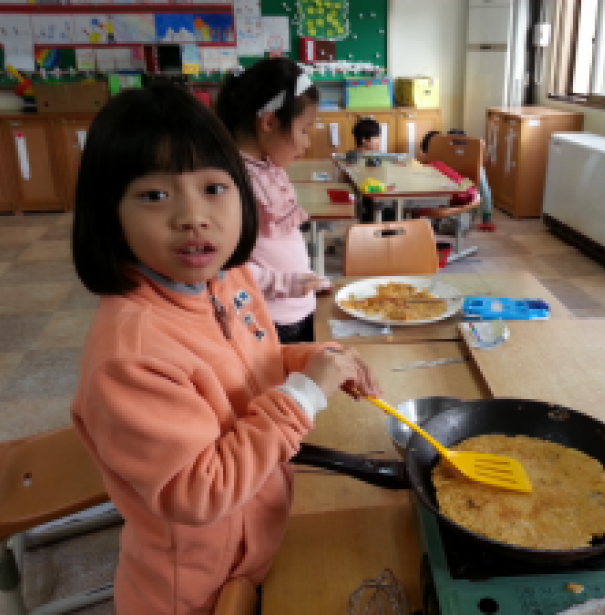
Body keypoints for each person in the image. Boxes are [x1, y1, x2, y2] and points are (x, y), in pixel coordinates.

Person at [70, 83, 382, 615]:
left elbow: (254, 364)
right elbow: (200, 492)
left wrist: (309, 360)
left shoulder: (227, 277)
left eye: (214, 188)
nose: (193, 216)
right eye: (155, 196)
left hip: (257, 542)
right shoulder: (130, 356)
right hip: (193, 590)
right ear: (110, 217)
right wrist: (303, 396)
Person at [215, 57, 330, 344]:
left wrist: (306, 278)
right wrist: (283, 283)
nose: (307, 142)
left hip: (294, 307)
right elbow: (223, 267)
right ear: (268, 122)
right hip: (269, 319)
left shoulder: (266, 169)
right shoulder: (233, 183)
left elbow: (277, 245)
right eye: (304, 130)